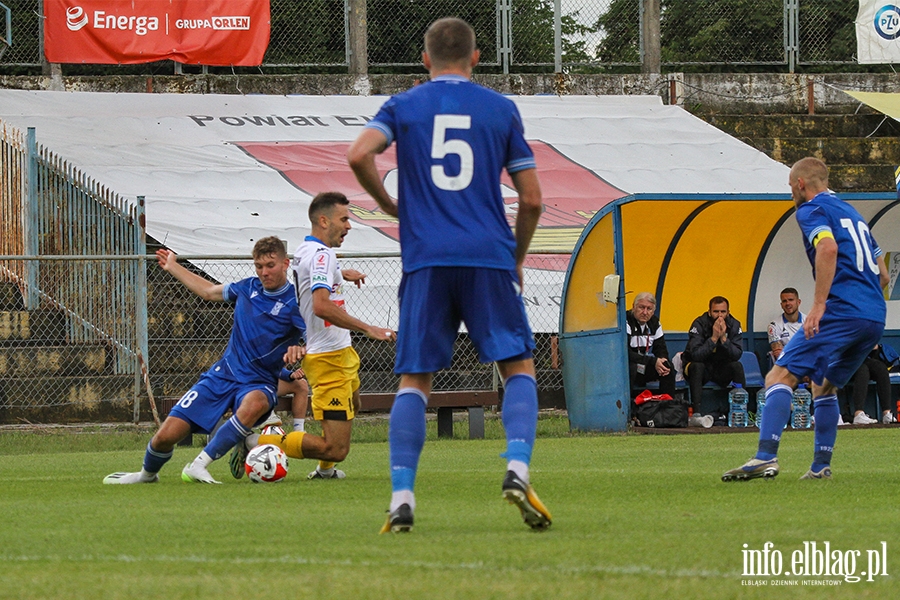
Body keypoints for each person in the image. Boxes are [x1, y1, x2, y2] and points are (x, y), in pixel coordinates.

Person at [347, 17, 551, 533]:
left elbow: (358, 154)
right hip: (487, 256)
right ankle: (517, 468)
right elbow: (531, 199)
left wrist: (389, 203)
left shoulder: (404, 104)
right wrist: (518, 257)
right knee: (518, 366)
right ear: (477, 57)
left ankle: (401, 497)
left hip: (426, 257)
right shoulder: (500, 109)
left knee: (415, 380)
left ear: (424, 59)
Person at [723, 157, 888, 482]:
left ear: (800, 184)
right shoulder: (854, 214)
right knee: (823, 385)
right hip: (873, 316)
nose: (790, 194)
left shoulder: (811, 210)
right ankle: (820, 467)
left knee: (778, 376)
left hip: (841, 311)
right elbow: (882, 273)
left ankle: (765, 457)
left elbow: (827, 249)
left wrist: (820, 305)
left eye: (789, 187)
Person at [103, 237, 307, 485]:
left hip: (259, 381)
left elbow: (315, 339)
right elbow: (208, 292)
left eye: (270, 265)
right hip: (223, 374)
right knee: (166, 436)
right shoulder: (246, 288)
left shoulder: (296, 302)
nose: (264, 272)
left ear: (285, 263)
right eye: (258, 266)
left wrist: (300, 348)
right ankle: (146, 475)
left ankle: (199, 465)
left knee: (253, 405)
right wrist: (173, 266)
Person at [244, 192, 396, 480]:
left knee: (356, 404)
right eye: (344, 219)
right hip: (329, 360)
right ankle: (255, 442)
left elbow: (315, 271)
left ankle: (324, 473)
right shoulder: (322, 255)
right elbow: (321, 305)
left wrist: (341, 272)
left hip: (340, 352)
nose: (349, 225)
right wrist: (369, 328)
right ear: (324, 220)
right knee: (336, 448)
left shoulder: (307, 250)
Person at [683, 296, 746, 426]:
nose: (719, 316)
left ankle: (740, 412)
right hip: (701, 369)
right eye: (716, 311)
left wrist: (723, 339)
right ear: (709, 312)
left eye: (723, 312)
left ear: (728, 312)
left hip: (720, 368)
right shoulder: (699, 323)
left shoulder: (734, 324)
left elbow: (737, 354)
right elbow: (695, 355)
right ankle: (697, 414)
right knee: (697, 366)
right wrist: (713, 339)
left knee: (737, 366)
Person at [626, 292, 676, 397]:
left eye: (649, 309)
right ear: (633, 307)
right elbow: (626, 353)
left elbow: (661, 348)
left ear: (653, 311)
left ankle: (667, 407)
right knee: (632, 367)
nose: (645, 312)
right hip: (627, 368)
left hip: (644, 366)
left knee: (667, 367)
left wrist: (661, 362)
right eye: (641, 307)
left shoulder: (654, 322)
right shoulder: (626, 321)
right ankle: (629, 409)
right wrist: (653, 361)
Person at [846, 345, 893, 425]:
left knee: (881, 368)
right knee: (862, 369)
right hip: (843, 361)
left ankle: (886, 413)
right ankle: (858, 414)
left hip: (860, 358)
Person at [767, 287, 805, 362]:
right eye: (784, 301)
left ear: (798, 302)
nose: (787, 303)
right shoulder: (774, 326)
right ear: (781, 305)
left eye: (791, 300)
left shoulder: (810, 322)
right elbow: (779, 354)